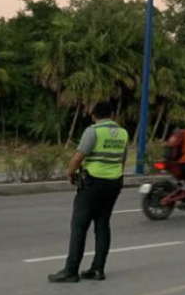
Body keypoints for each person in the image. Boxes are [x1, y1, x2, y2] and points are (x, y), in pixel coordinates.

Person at [48, 102, 128, 283]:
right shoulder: (123, 133)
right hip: (114, 183)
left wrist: (70, 173)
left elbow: (78, 158)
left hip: (93, 184)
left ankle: (71, 271)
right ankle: (98, 269)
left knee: (79, 226)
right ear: (112, 114)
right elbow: (121, 160)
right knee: (103, 225)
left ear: (93, 115)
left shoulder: (93, 131)